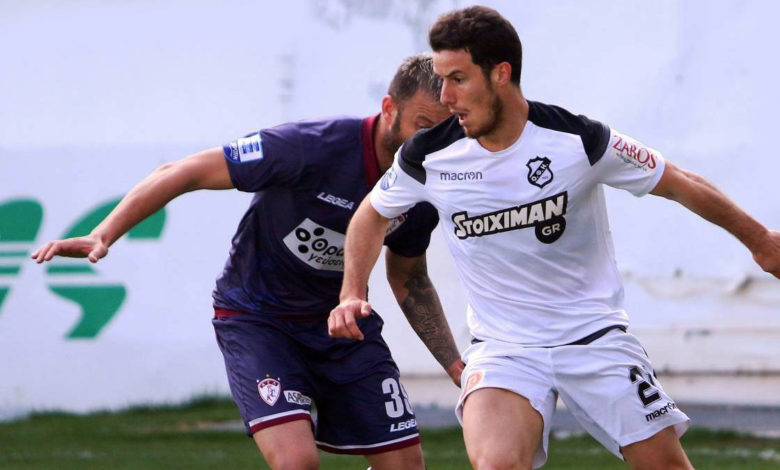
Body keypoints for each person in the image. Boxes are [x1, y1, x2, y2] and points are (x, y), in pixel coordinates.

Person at [328, 6, 780, 470]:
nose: (446, 97)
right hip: (504, 349)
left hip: (595, 338)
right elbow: (370, 215)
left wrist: (761, 241)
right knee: (497, 464)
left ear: (501, 74)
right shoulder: (429, 154)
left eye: (458, 79)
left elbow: (679, 182)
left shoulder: (577, 139)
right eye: (442, 80)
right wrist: (351, 293)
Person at [31, 54, 464, 470]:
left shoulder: (427, 184)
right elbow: (184, 171)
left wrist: (453, 365)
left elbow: (410, 277)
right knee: (296, 462)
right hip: (260, 320)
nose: (431, 144)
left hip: (341, 326)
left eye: (444, 133)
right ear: (389, 109)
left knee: (405, 466)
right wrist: (103, 233)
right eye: (423, 126)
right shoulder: (311, 145)